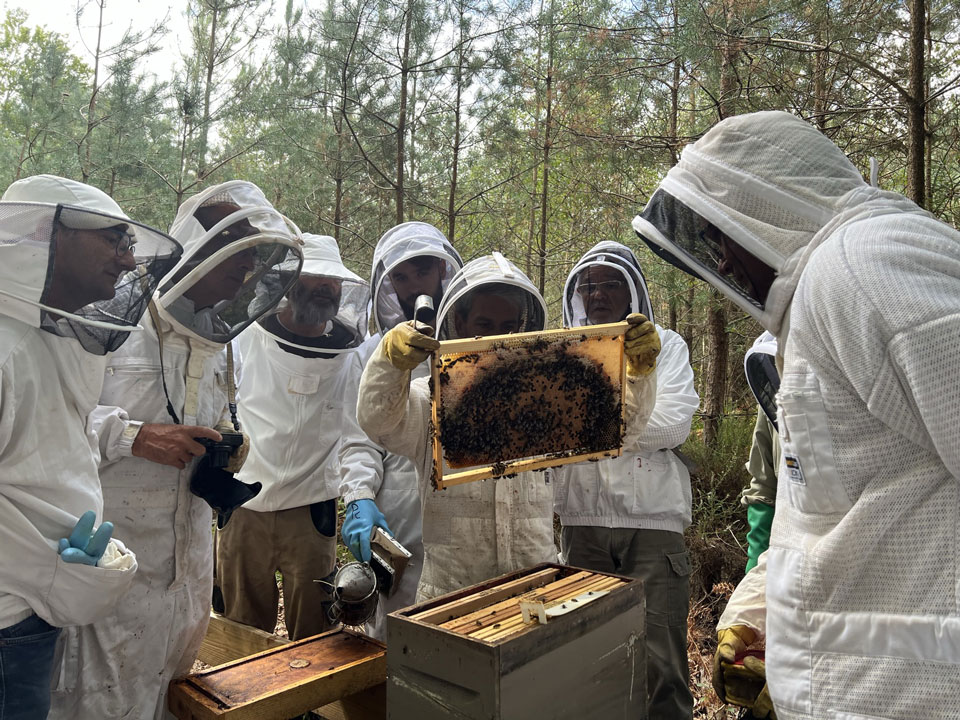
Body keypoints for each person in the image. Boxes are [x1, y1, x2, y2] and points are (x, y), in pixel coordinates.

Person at [633, 109, 960, 720]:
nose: (721, 264)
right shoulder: (823, 293)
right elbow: (826, 511)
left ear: (764, 206)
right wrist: (762, 616)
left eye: (722, 239)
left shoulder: (867, 265)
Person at [50, 181, 304, 720]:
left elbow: (215, 412)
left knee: (173, 695)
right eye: (232, 245)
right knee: (97, 702)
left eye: (253, 251)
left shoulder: (220, 340)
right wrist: (134, 436)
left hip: (188, 567)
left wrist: (226, 442)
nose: (247, 263)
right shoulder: (109, 320)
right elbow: (53, 421)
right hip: (108, 558)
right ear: (193, 245)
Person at [357, 252, 662, 600]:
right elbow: (379, 422)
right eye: (485, 324)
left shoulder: (547, 398)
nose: (498, 337)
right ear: (459, 322)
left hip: (536, 585)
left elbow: (620, 430)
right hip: (452, 590)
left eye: (508, 326)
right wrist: (389, 363)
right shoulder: (430, 400)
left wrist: (638, 375)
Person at [0, 174, 181, 718]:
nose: (128, 259)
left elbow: (59, 438)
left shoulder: (55, 336)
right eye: (112, 239)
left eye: (130, 242)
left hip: (33, 612)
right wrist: (38, 564)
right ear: (46, 234)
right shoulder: (5, 349)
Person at [552, 241, 699, 719]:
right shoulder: (565, 351)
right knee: (588, 664)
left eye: (611, 284)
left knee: (662, 666)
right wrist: (630, 422)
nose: (598, 294)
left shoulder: (665, 345)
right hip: (582, 524)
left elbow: (673, 424)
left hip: (653, 525)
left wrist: (588, 426)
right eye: (589, 286)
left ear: (633, 289)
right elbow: (550, 431)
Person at [217, 233, 368, 640]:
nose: (326, 287)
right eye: (316, 277)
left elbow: (358, 431)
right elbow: (218, 407)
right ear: (289, 280)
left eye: (332, 281)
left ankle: (308, 688)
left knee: (317, 634)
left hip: (312, 507)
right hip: (245, 501)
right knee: (242, 629)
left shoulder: (351, 354)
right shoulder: (247, 336)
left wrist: (358, 494)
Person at [338, 222, 462, 637]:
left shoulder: (474, 342)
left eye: (421, 272)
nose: (412, 288)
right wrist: (359, 497)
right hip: (400, 521)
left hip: (465, 517)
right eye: (401, 278)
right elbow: (357, 440)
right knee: (396, 639)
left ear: (443, 270)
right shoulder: (371, 353)